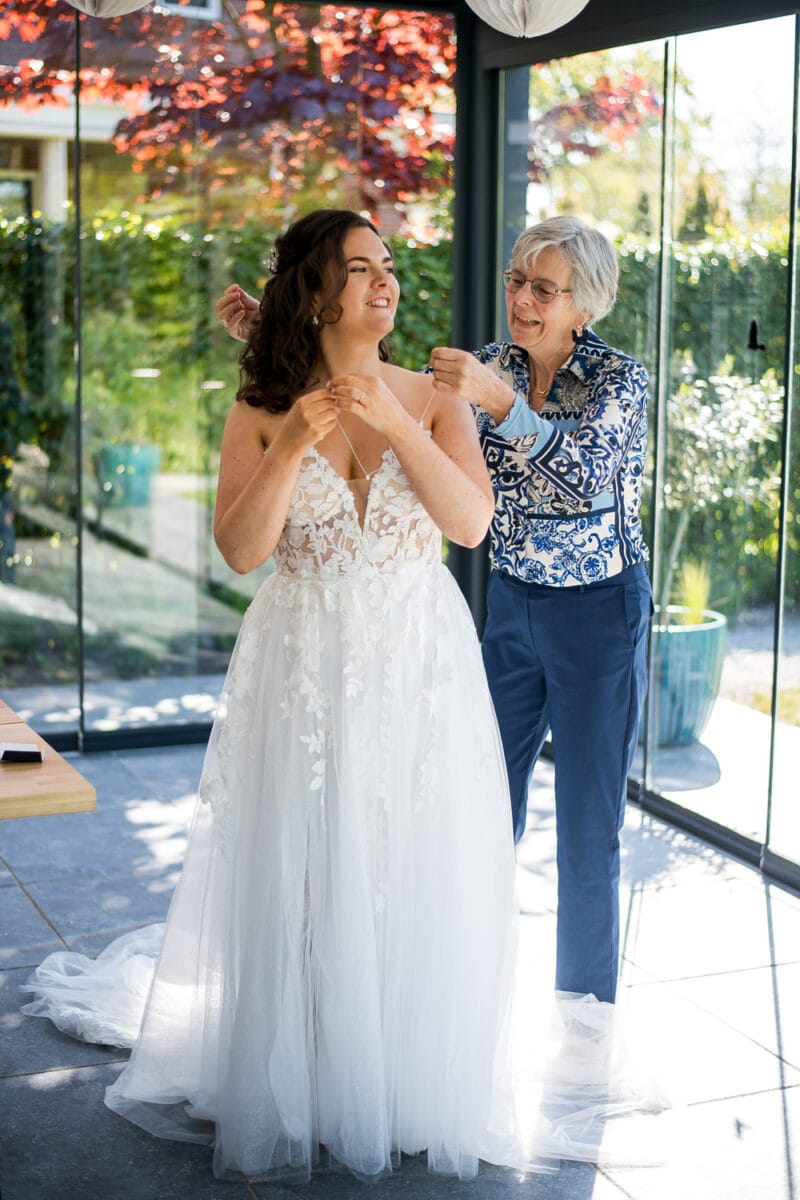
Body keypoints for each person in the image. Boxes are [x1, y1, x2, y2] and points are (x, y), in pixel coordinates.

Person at [22, 209, 528, 1184]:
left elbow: (467, 524)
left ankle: (407, 1068)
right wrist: (295, 439)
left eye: (389, 266)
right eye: (360, 268)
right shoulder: (261, 406)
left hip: (418, 663)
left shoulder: (432, 395)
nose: (385, 282)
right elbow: (242, 550)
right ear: (315, 290)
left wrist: (391, 420)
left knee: (412, 854)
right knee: (306, 858)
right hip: (301, 663)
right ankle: (309, 1067)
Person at [216, 216, 652, 1013]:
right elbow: (359, 375)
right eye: (517, 281)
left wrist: (502, 407)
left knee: (588, 831)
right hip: (509, 602)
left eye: (544, 290)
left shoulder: (619, 381)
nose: (522, 299)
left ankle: (582, 1013)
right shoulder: (482, 365)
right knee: (479, 810)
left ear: (583, 307)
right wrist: (272, 323)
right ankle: (463, 992)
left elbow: (584, 476)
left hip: (597, 608)